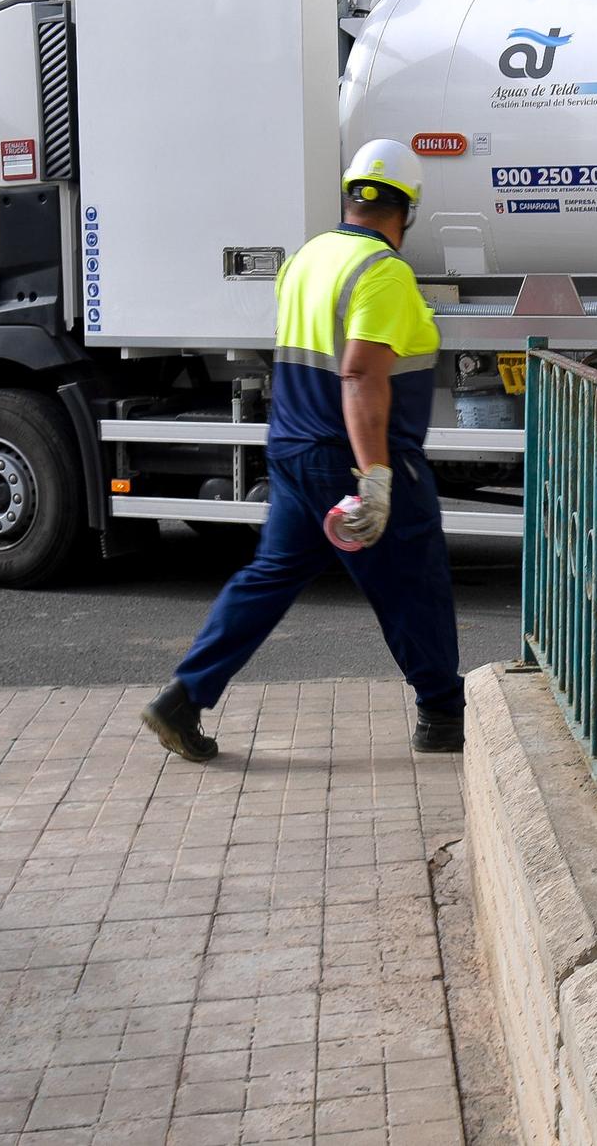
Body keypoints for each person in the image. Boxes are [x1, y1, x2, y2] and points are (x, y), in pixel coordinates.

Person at [140, 139, 466, 760]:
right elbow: (361, 374)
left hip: (292, 448)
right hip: (351, 457)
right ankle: (444, 715)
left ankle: (183, 698)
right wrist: (375, 477)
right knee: (412, 580)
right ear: (410, 210)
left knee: (270, 577)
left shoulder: (309, 258)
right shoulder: (384, 273)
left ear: (350, 197)